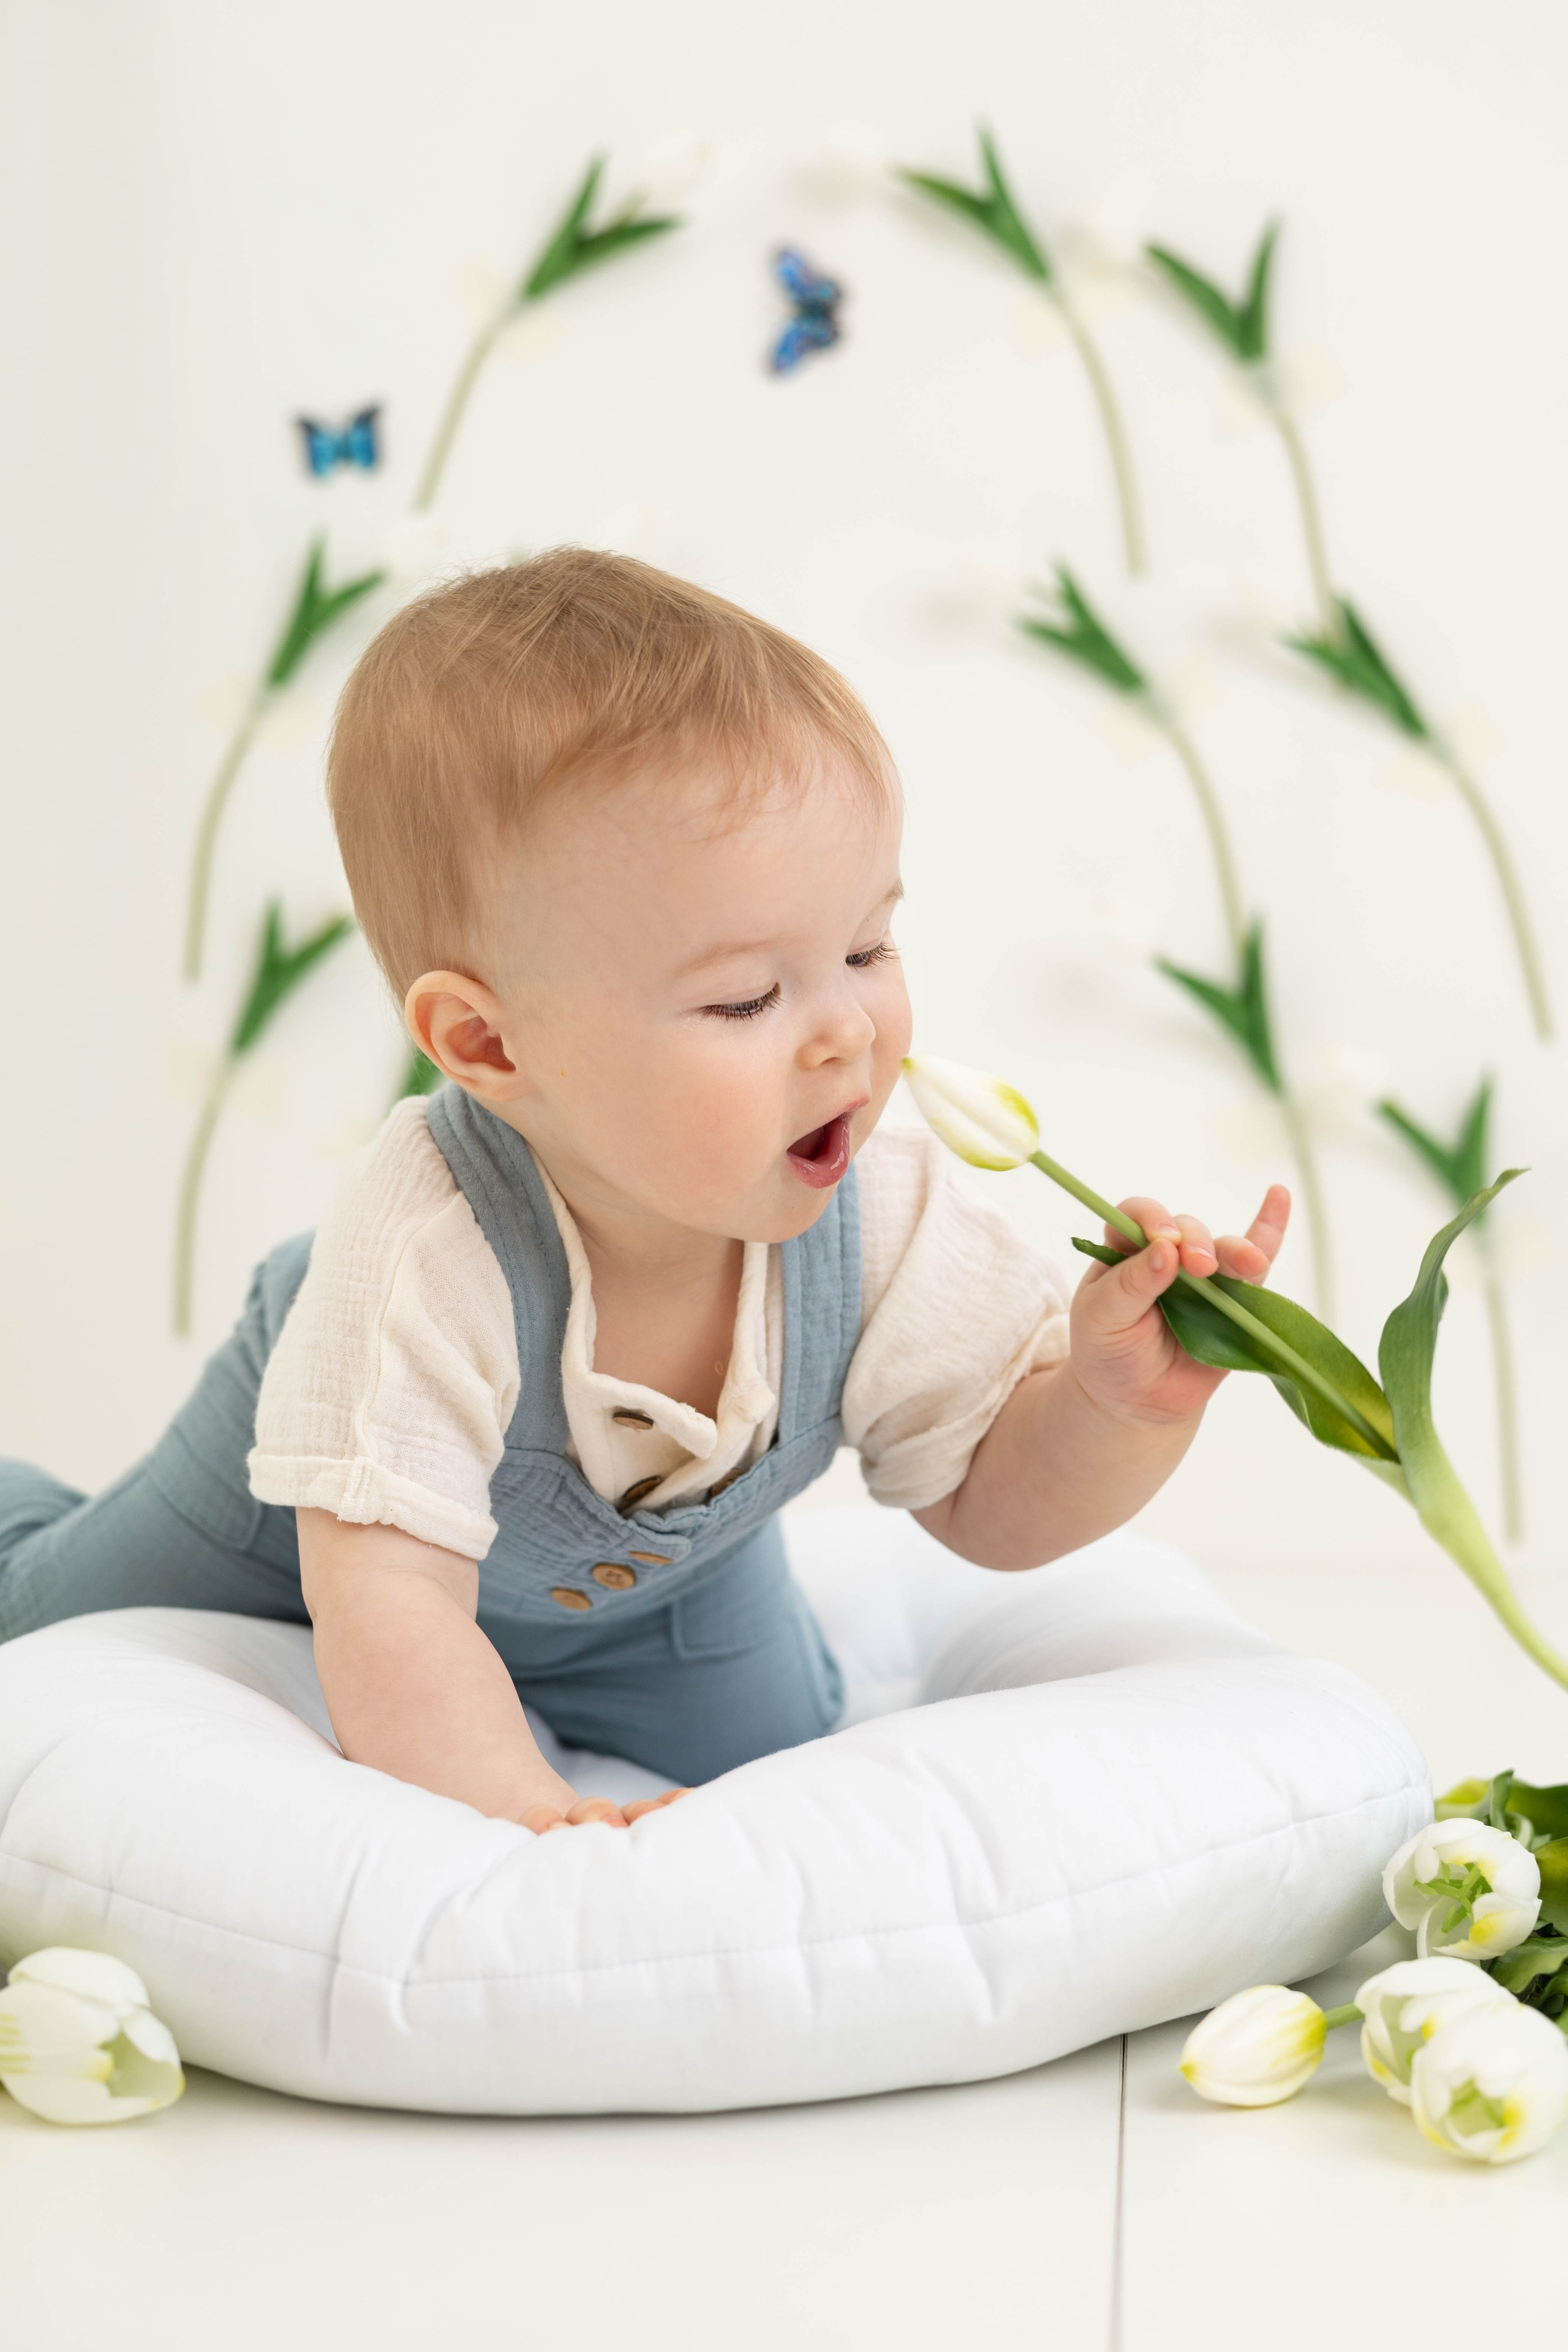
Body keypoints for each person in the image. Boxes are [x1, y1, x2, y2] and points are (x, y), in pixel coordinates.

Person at [0, 550, 1289, 1833]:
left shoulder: (881, 1213)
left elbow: (989, 1509)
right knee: (42, 1624)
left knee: (786, 1756)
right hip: (296, 1545)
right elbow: (387, 1607)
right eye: (744, 998)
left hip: (664, 1598)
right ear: (490, 1047)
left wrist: (1114, 1404)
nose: (845, 1031)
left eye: (864, 948)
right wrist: (530, 1819)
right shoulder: (426, 1245)